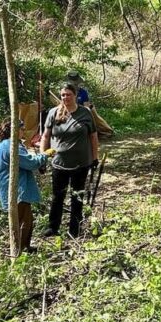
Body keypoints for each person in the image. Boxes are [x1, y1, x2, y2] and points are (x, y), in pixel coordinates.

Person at [41, 83, 98, 238]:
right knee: (57, 197)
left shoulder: (85, 113)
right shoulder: (53, 113)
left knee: (77, 197)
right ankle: (53, 227)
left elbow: (93, 136)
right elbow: (45, 137)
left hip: (81, 164)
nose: (65, 97)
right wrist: (42, 158)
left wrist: (95, 158)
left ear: (75, 96)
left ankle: (75, 229)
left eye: (69, 94)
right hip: (59, 164)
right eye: (63, 95)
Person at [0, 118, 47, 254]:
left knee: (26, 219)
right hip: (15, 189)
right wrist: (44, 156)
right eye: (22, 129)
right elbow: (30, 163)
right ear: (15, 130)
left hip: (13, 187)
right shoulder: (11, 147)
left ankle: (24, 248)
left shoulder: (6, 144)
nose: (24, 131)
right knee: (23, 221)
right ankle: (19, 252)